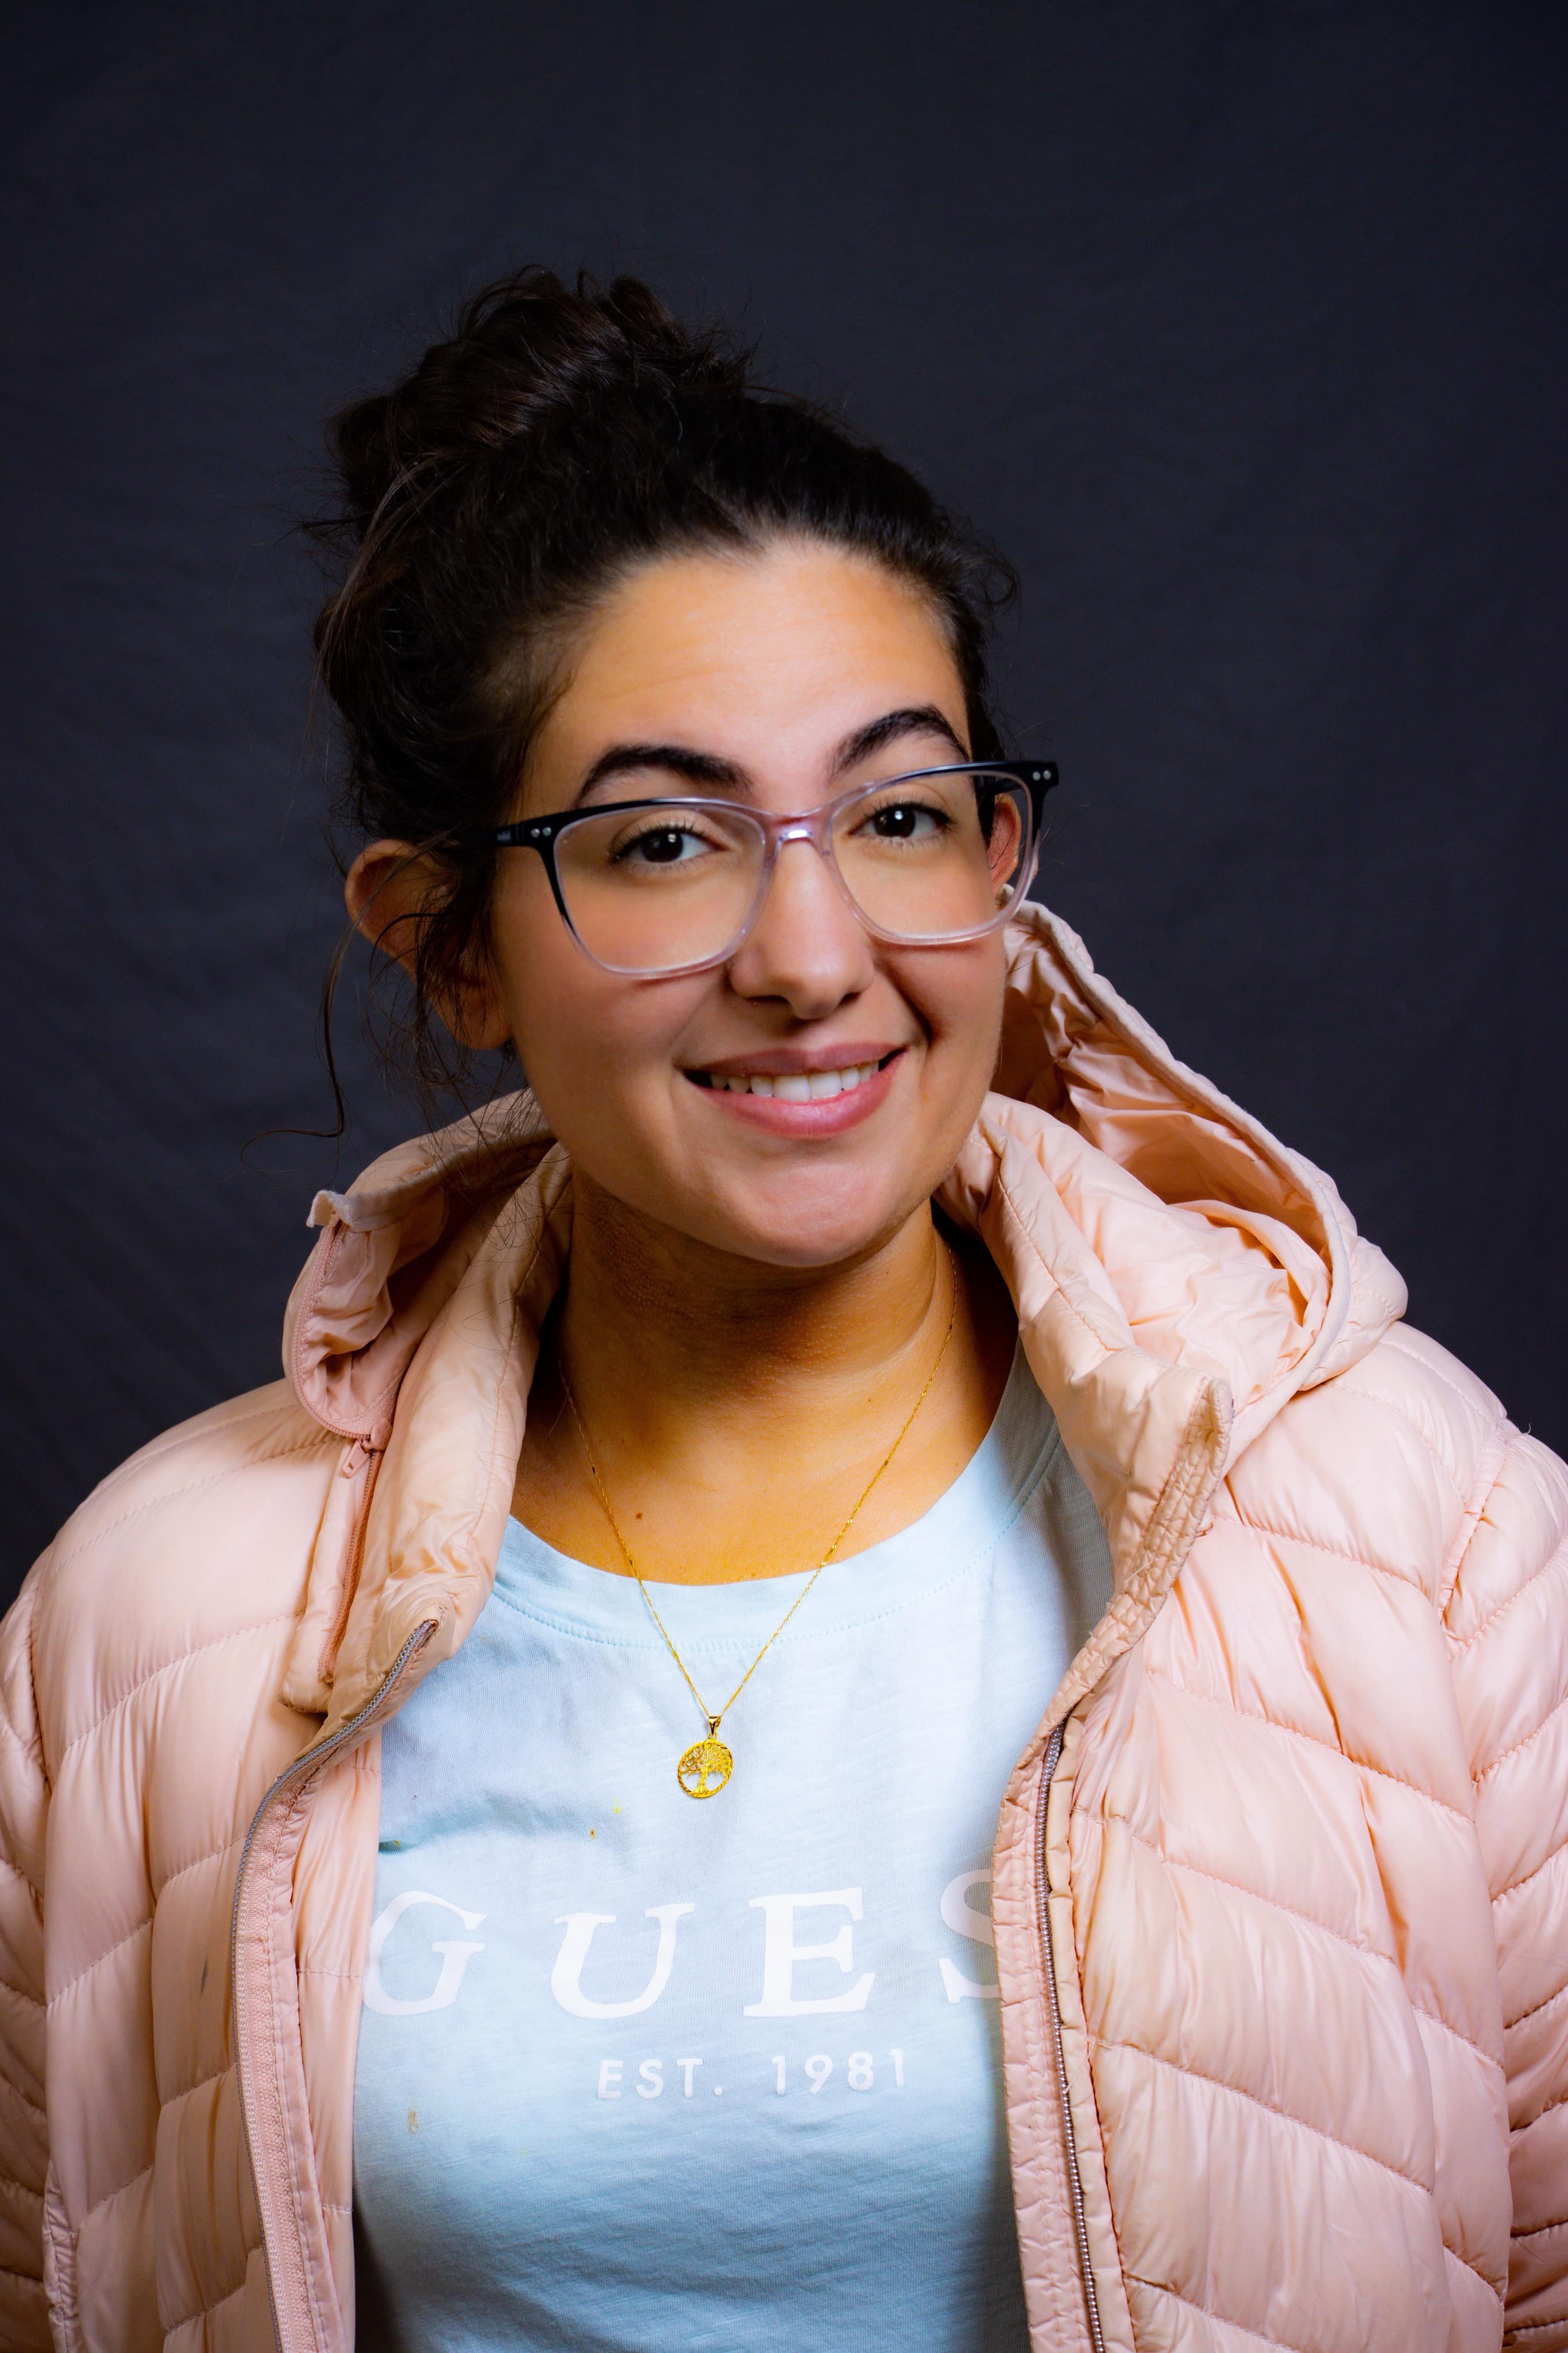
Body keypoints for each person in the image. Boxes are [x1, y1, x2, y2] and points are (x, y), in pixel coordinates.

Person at [1, 268, 1563, 2353]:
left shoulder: (1417, 1530)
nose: (812, 957)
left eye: (901, 816)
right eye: (665, 841)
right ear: (448, 945)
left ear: (996, 865)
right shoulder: (142, 1631)